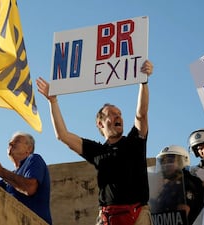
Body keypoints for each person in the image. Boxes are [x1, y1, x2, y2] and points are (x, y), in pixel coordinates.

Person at [36, 60, 154, 225]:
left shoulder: (135, 141)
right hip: (108, 217)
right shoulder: (97, 151)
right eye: (112, 114)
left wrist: (144, 81)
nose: (118, 116)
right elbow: (62, 135)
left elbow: (141, 114)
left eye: (119, 113)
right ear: (100, 123)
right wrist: (53, 101)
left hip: (138, 215)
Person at [0, 132, 52, 225]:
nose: (11, 144)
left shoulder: (34, 159)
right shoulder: (8, 180)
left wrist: (1, 171)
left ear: (29, 149)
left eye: (16, 141)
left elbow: (30, 188)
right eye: (10, 142)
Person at [150, 145, 204, 225]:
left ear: (181, 162)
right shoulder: (166, 187)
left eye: (170, 161)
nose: (165, 166)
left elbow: (181, 216)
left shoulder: (188, 183)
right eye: (163, 162)